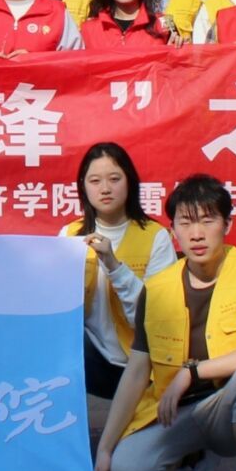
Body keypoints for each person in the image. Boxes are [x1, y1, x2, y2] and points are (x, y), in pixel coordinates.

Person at [96, 174, 236, 471]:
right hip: (176, 412)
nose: (196, 234)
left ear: (228, 224)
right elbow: (137, 371)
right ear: (173, 231)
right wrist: (105, 447)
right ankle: (194, 461)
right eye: (185, 223)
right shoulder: (157, 288)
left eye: (207, 220)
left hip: (228, 406)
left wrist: (192, 372)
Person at [58, 143, 178, 416]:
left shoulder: (155, 236)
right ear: (83, 187)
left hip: (142, 364)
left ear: (130, 182)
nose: (105, 189)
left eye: (114, 179)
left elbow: (155, 318)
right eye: (95, 181)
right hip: (89, 359)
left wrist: (113, 265)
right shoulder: (70, 235)